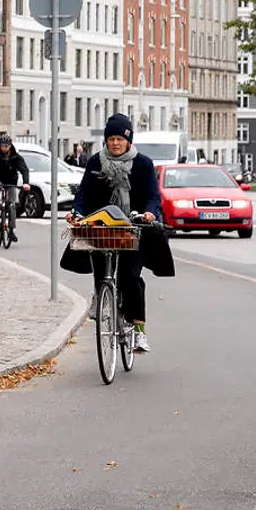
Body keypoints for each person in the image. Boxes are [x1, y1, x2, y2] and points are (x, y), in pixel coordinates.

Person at [67, 113, 166, 353]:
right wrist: (77, 213)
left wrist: (150, 213)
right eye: (111, 138)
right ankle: (100, 294)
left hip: (133, 228)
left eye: (120, 139)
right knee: (101, 269)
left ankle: (139, 332)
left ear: (128, 141)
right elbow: (83, 194)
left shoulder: (143, 164)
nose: (115, 143)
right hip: (103, 227)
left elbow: (153, 196)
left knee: (130, 278)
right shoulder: (96, 162)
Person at [0, 133, 32, 243]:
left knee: (12, 205)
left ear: (10, 146)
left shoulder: (16, 157)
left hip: (11, 180)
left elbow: (24, 170)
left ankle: (11, 230)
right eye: (2, 146)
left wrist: (26, 183)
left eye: (6, 146)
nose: (4, 148)